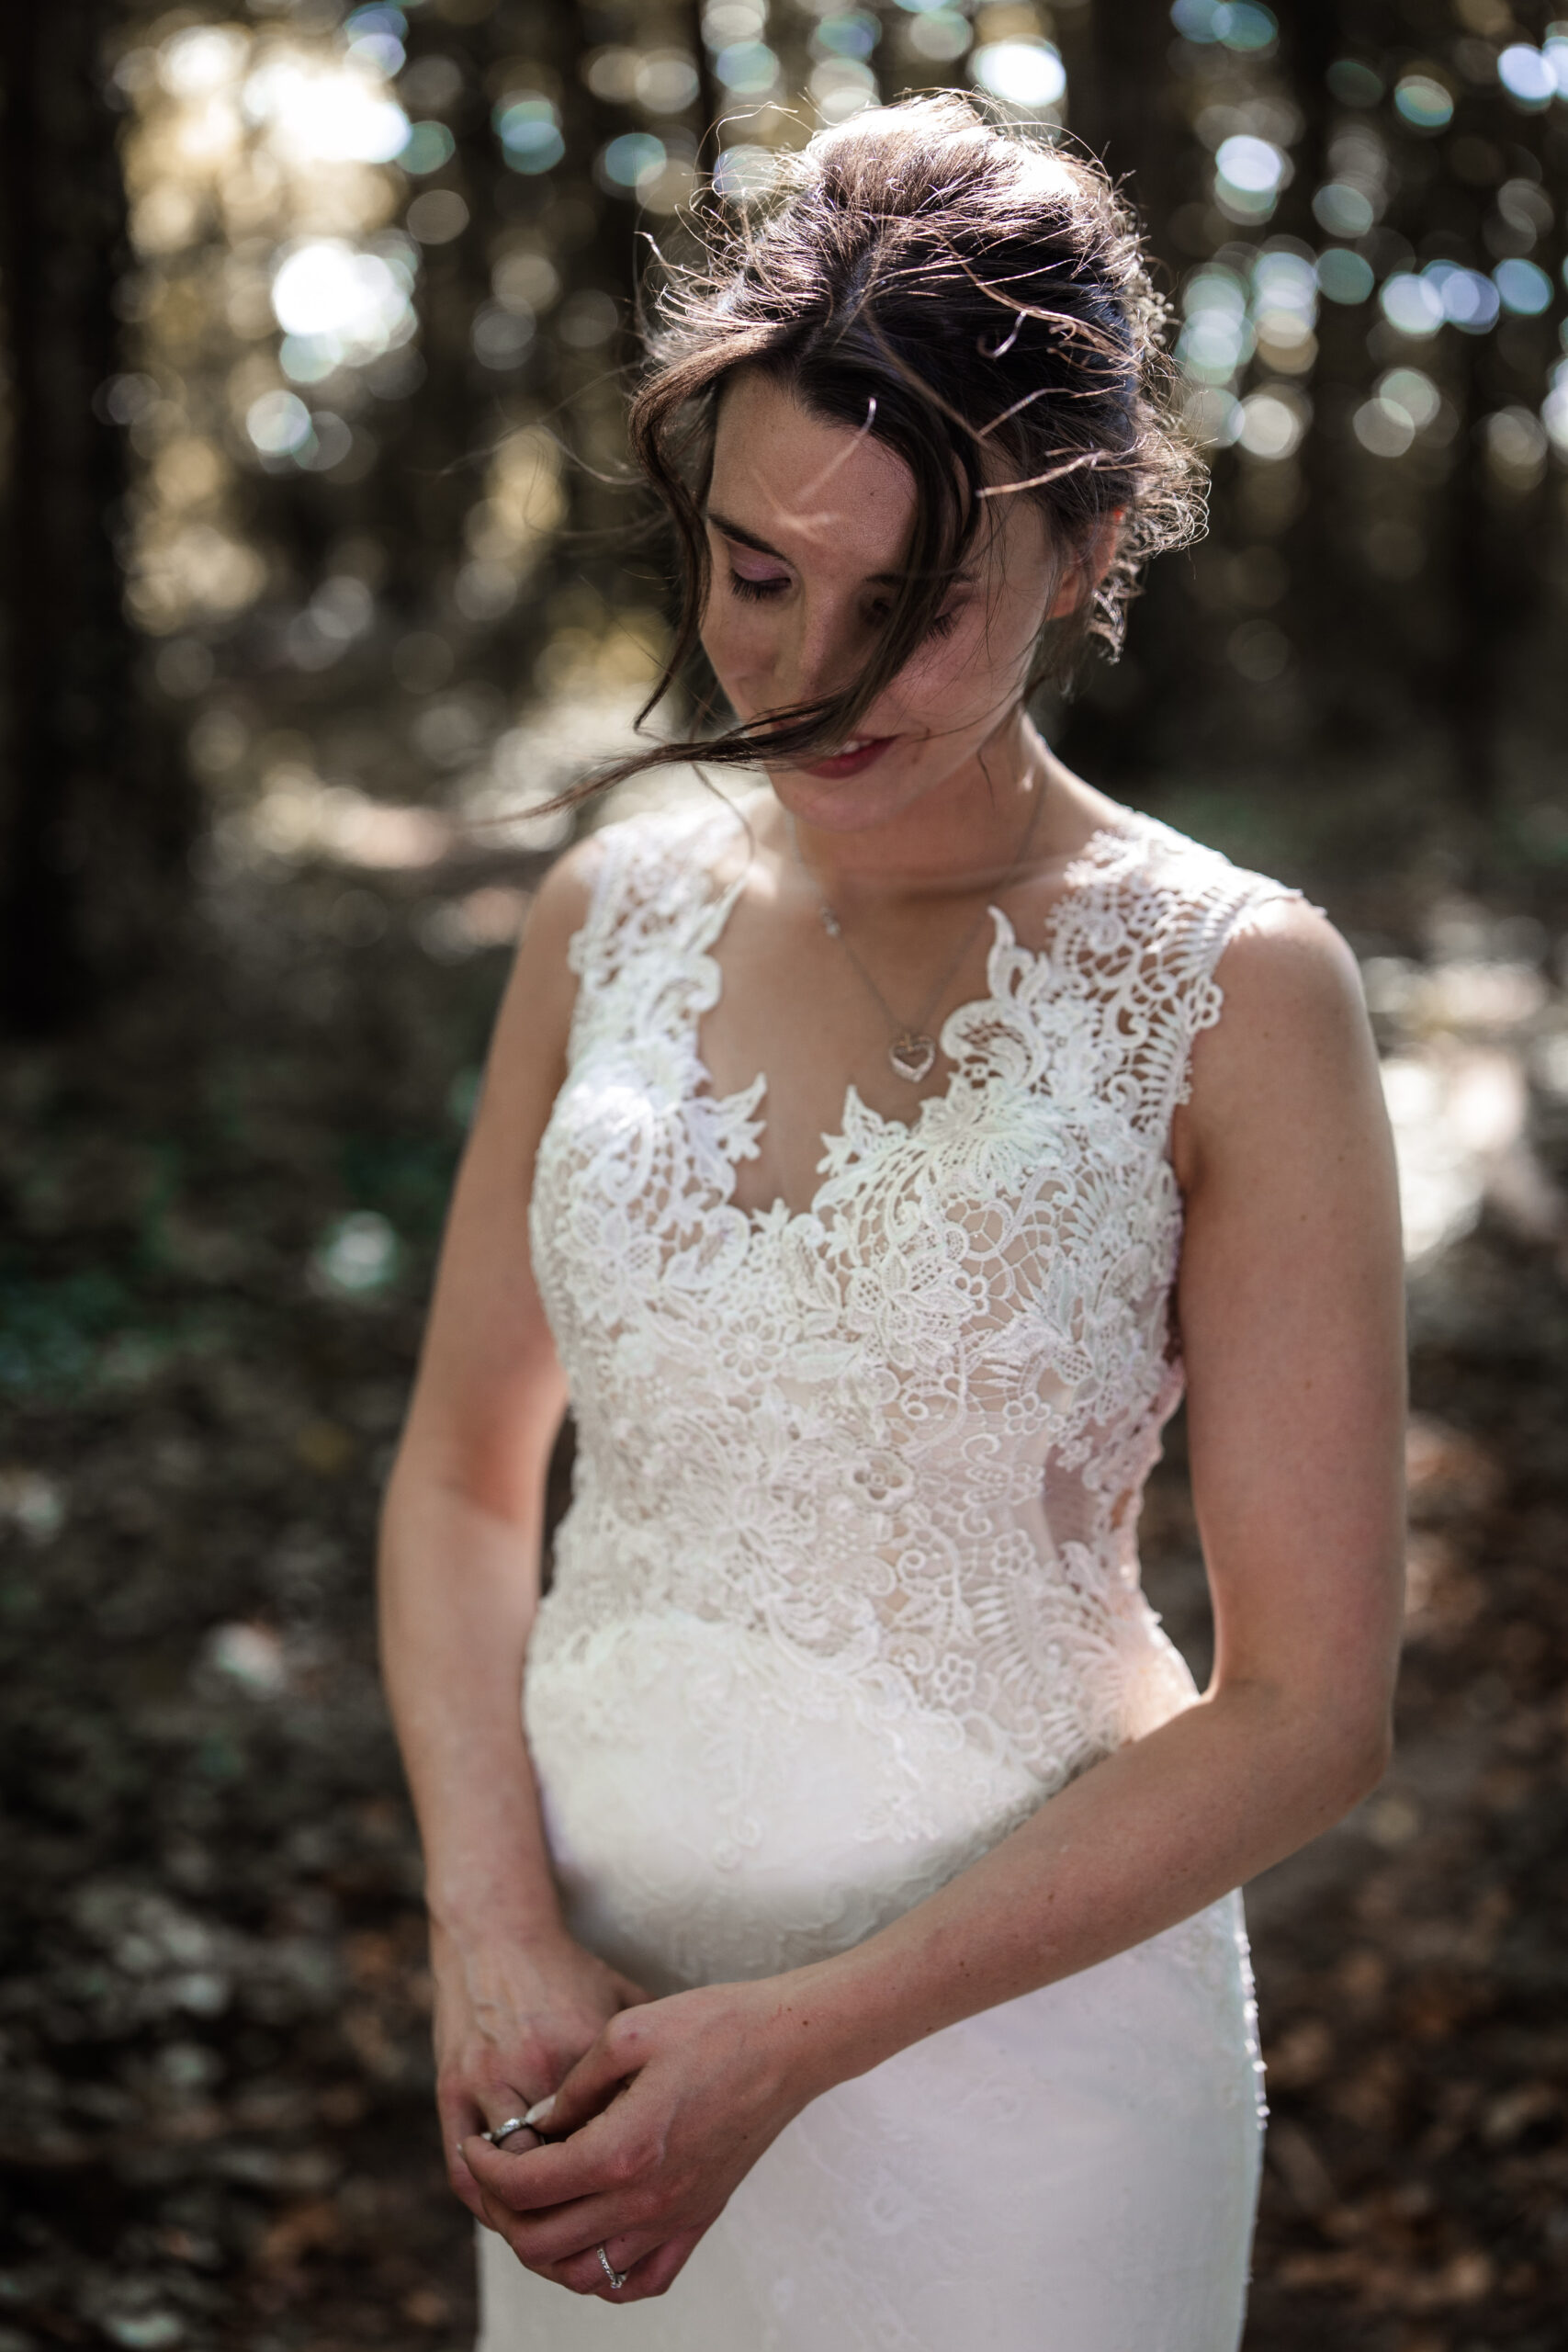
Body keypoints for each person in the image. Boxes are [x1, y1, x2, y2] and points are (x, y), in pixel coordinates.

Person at [378, 94, 1406, 2352]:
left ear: (1085, 544)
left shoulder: (1233, 989)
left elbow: (1309, 1704)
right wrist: (489, 1921)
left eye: (914, 606)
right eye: (757, 573)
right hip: (585, 2034)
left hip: (1014, 2099)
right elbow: (462, 1473)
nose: (809, 678)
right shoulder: (602, 913)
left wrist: (801, 2037)